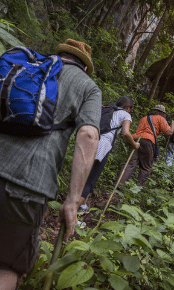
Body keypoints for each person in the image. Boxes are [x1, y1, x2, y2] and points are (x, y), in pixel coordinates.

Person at [0, 39, 102, 290]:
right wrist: (73, 198)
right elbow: (89, 134)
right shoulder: (88, 87)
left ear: (62, 54)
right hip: (27, 186)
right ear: (85, 66)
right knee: (8, 265)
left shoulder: (31, 69)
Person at [78, 96, 140, 212]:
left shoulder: (106, 108)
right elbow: (126, 133)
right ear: (128, 107)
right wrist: (134, 144)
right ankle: (74, 211)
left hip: (89, 138)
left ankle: (82, 206)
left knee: (82, 174)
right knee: (91, 178)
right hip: (103, 144)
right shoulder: (125, 114)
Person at [118, 104, 174, 186]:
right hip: (148, 141)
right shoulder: (160, 118)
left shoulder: (143, 118)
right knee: (146, 167)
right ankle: (138, 188)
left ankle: (119, 184)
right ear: (162, 113)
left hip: (135, 139)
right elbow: (169, 133)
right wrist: (173, 124)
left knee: (130, 163)